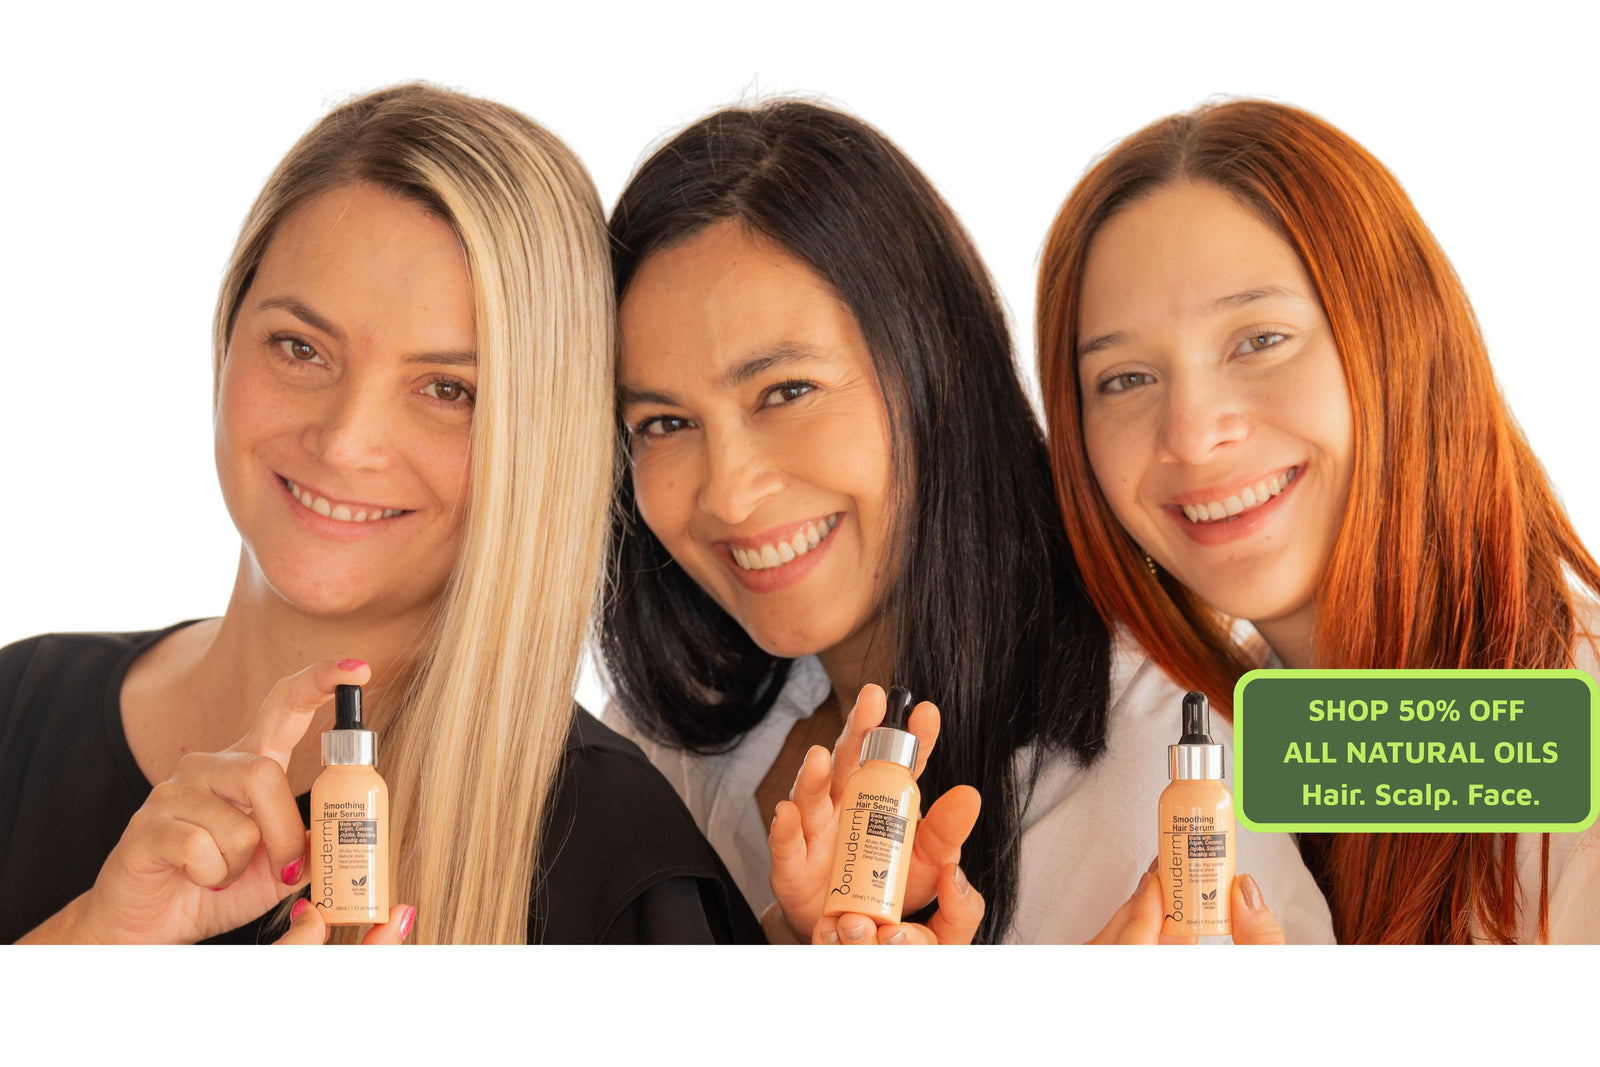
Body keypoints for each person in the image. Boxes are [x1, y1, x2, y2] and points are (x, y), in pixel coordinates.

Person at [1, 83, 758, 945]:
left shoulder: (619, 864)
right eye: (300, 347)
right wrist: (84, 946)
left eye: (447, 389)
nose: (346, 439)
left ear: (540, 436)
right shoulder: (18, 706)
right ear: (227, 335)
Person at [600, 100, 1332, 944]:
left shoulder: (1168, 770)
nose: (727, 492)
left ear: (935, 369)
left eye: (787, 391)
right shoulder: (661, 741)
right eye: (662, 423)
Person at [1036, 98, 1600, 943]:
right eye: (1123, 378)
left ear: (1403, 338)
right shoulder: (1234, 749)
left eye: (1258, 339)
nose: (1192, 435)